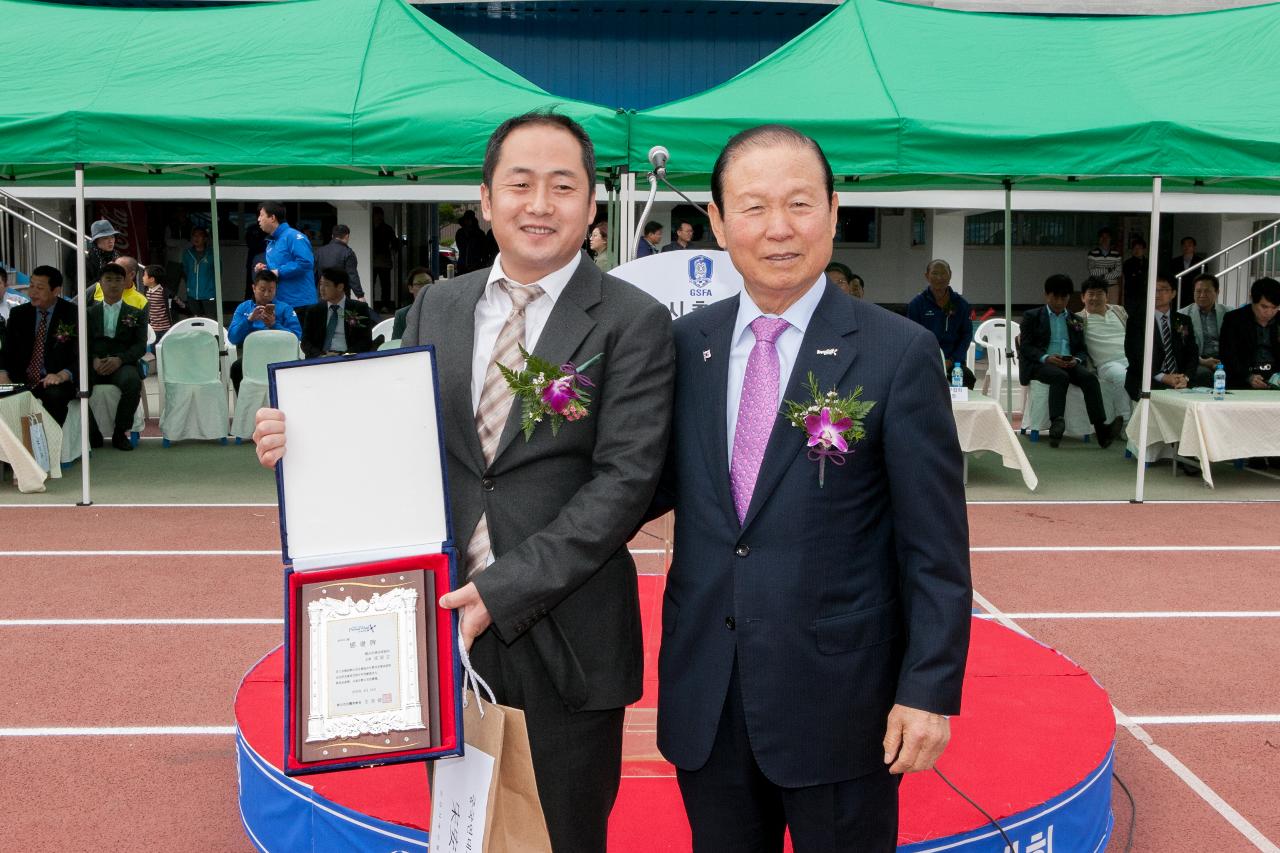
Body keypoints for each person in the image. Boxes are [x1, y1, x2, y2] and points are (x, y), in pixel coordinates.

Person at [254, 110, 675, 853]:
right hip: (442, 625)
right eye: (520, 184)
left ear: (591, 208)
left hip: (567, 635)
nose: (539, 204)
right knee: (465, 832)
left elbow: (625, 484)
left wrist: (502, 588)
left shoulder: (632, 322)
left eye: (561, 186)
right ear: (486, 200)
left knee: (566, 835)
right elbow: (398, 442)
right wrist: (305, 437)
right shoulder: (438, 305)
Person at [649, 125, 970, 853]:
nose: (779, 228)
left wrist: (927, 688)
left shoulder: (897, 353)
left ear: (833, 209)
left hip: (842, 705)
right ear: (720, 220)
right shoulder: (683, 347)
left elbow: (936, 546)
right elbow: (636, 484)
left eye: (799, 203)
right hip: (709, 694)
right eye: (754, 207)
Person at [1019, 274, 1120, 448]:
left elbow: (1081, 348)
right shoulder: (1032, 316)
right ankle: (1057, 422)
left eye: (1063, 297)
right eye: (1055, 297)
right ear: (1047, 295)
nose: (1059, 302)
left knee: (1089, 378)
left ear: (1069, 297)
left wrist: (1077, 360)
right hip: (1041, 364)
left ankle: (1101, 429)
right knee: (1059, 376)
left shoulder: (1075, 319)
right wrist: (1047, 357)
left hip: (1068, 363)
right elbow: (1026, 346)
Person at [0, 266, 78, 424]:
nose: (32, 292)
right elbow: (7, 350)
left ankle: (50, 444)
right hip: (21, 379)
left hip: (54, 379)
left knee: (54, 396)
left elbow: (83, 354)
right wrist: (2, 371)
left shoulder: (73, 314)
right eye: (31, 286)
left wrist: (63, 374)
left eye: (40, 288)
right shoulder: (19, 314)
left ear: (56, 290)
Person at [86, 263, 146, 451]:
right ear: (100, 284)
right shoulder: (88, 313)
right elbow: (82, 343)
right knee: (76, 383)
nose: (113, 284)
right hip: (95, 363)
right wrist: (93, 359)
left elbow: (140, 346)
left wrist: (119, 359)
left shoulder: (136, 312)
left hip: (122, 363)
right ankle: (92, 433)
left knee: (132, 382)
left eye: (118, 280)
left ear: (126, 282)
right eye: (108, 280)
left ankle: (120, 432)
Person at [1124, 273, 1198, 400]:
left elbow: (1192, 352)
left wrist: (1185, 377)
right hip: (1149, 378)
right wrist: (1163, 377)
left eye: (1163, 289)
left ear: (1173, 293)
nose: (1157, 294)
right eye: (1154, 290)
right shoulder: (1138, 320)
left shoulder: (1183, 320)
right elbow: (1135, 355)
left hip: (1179, 379)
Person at [228, 269, 302, 393]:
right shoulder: (244, 308)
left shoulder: (285, 308)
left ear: (276, 289)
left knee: (300, 368)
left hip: (282, 356)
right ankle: (246, 405)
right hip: (253, 356)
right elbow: (233, 338)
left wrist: (274, 324)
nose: (267, 294)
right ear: (254, 288)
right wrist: (249, 320)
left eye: (271, 290)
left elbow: (296, 336)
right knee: (236, 368)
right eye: (262, 290)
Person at [906, 259, 975, 389]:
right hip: (925, 362)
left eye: (943, 273)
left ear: (950, 276)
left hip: (953, 364)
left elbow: (966, 335)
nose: (939, 278)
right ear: (927, 276)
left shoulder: (961, 304)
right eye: (935, 273)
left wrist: (952, 360)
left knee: (967, 378)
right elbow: (911, 336)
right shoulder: (917, 304)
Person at [1078, 276, 1130, 423]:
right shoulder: (1078, 319)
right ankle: (1125, 422)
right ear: (1083, 297)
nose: (1095, 298)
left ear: (1106, 296)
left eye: (1100, 294)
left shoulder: (1119, 311)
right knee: (1122, 376)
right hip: (1106, 364)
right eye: (1091, 294)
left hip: (1130, 359)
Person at [1218, 276, 1280, 391]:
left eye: (1275, 308)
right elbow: (1227, 354)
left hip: (1276, 377)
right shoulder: (1234, 319)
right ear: (1252, 299)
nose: (1269, 312)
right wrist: (1248, 377)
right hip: (1243, 378)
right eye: (1264, 306)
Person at [300, 267, 376, 358]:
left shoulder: (359, 308)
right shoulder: (314, 310)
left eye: (327, 285)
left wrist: (344, 356)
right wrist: (320, 355)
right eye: (321, 284)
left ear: (340, 287)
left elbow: (365, 341)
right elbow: (305, 342)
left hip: (349, 359)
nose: (322, 289)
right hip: (319, 360)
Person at [255, 201, 315, 313]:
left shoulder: (293, 236)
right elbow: (276, 269)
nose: (258, 219)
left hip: (299, 302)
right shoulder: (271, 241)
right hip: (279, 302)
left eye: (261, 215)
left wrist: (278, 272)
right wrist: (265, 270)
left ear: (272, 217)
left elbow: (305, 263)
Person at [1179, 273, 1228, 387]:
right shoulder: (1182, 315)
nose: (1202, 295)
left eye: (1207, 291)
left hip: (1224, 359)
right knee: (1204, 375)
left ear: (1217, 292)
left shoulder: (1229, 312)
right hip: (1198, 360)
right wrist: (1202, 361)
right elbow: (1181, 347)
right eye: (1198, 291)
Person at [313, 224, 364, 301]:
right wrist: (360, 295)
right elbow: (352, 276)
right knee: (340, 313)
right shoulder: (348, 253)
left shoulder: (319, 252)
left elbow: (314, 275)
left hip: (323, 295)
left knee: (325, 312)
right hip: (340, 296)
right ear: (347, 236)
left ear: (332, 236)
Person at [180, 227, 218, 318]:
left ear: (205, 239)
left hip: (209, 293)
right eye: (194, 236)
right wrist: (190, 284)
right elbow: (185, 271)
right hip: (192, 293)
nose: (196, 238)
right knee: (195, 320)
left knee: (210, 319)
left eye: (199, 235)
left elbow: (218, 272)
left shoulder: (212, 253)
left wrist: (212, 287)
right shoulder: (187, 253)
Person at [370, 206, 401, 307]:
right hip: (373, 260)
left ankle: (385, 305)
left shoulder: (387, 228)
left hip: (383, 260)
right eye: (375, 215)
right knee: (372, 283)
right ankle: (374, 303)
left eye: (379, 215)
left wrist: (393, 249)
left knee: (385, 284)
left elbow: (394, 242)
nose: (377, 217)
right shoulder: (370, 227)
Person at [391, 267, 432, 341]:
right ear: (410, 288)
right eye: (419, 284)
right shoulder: (402, 315)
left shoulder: (441, 310)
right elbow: (396, 344)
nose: (424, 287)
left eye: (427, 283)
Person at [1085, 227, 1122, 304]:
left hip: (1113, 287)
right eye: (1102, 237)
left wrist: (1103, 276)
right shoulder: (1092, 254)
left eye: (1107, 237)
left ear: (1110, 239)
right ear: (1099, 239)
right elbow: (1092, 272)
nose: (1104, 239)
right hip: (1097, 287)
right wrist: (1109, 269)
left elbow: (1118, 272)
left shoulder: (1117, 254)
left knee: (1112, 311)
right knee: (1098, 310)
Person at [85, 219, 122, 294]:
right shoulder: (88, 260)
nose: (110, 241)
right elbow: (84, 289)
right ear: (96, 241)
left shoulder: (118, 257)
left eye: (112, 237)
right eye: (105, 238)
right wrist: (105, 273)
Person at [1170, 236, 1206, 307]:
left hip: (1193, 291)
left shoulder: (1201, 262)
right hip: (1179, 292)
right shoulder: (1174, 261)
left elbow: (1203, 277)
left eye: (1189, 245)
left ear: (1194, 247)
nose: (1186, 247)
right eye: (1184, 245)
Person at [142, 264, 172, 341]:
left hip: (165, 329)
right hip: (152, 329)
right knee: (153, 350)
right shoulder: (146, 292)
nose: (142, 278)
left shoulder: (164, 292)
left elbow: (172, 306)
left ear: (152, 279)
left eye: (144, 275)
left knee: (163, 348)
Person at [1121, 237, 1149, 315]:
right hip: (1131, 296)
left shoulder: (1148, 263)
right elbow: (1128, 278)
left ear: (1144, 250)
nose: (1137, 250)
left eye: (1139, 248)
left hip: (1145, 295)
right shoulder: (1128, 263)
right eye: (1135, 248)